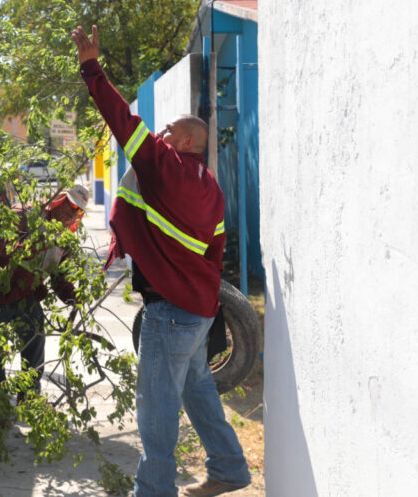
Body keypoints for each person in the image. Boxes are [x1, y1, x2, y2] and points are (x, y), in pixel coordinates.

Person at [70, 25, 251, 497]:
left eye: (171, 128)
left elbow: (121, 121)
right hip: (195, 311)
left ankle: (152, 491)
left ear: (187, 142)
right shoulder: (210, 189)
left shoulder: (162, 164)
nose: (161, 131)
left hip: (170, 313)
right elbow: (216, 251)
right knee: (197, 391)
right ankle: (230, 468)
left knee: (156, 406)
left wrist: (92, 68)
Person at [0, 185, 90, 398]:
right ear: (59, 200)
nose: (71, 213)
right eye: (69, 205)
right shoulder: (24, 214)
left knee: (35, 337)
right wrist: (41, 242)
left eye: (78, 210)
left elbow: (59, 278)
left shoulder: (64, 239)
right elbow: (5, 251)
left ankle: (29, 397)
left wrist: (75, 297)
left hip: (23, 292)